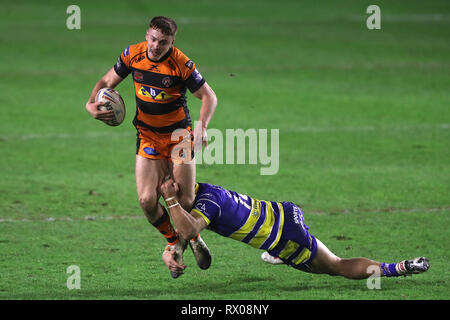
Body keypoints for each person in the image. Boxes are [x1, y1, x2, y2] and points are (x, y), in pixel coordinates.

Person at [85, 16, 217, 277]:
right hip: (147, 136)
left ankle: (186, 239)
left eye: (164, 42)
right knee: (147, 200)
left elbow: (208, 96)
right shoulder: (132, 55)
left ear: (172, 42)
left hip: (179, 136)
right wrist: (90, 104)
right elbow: (105, 82)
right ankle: (176, 240)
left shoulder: (181, 63)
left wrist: (203, 125)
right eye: (153, 39)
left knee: (185, 199)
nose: (156, 46)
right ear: (147, 35)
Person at [159, 179, 430, 280]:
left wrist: (169, 200)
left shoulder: (206, 205)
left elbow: (191, 226)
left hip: (283, 236)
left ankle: (400, 267)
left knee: (336, 265)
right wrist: (176, 248)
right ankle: (278, 255)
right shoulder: (205, 193)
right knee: (316, 259)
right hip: (284, 213)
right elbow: (192, 234)